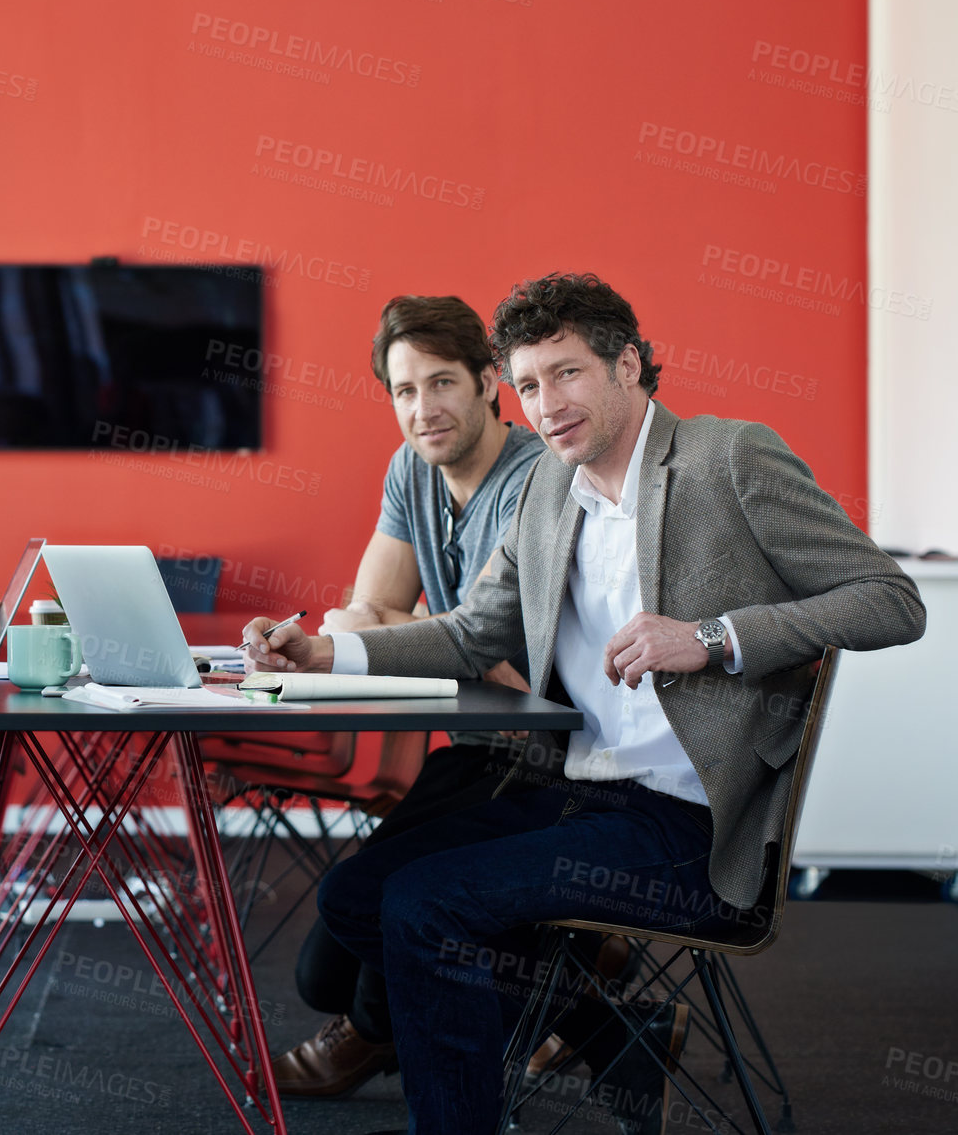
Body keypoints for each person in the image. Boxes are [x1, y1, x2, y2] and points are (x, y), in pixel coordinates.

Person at [244, 272, 925, 1135]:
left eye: (565, 373)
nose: (544, 403)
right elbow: (467, 634)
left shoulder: (728, 457)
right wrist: (326, 650)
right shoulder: (544, 493)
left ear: (628, 365)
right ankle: (595, 1038)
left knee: (427, 902)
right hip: (574, 794)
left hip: (687, 825)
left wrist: (710, 636)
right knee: (355, 899)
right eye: (527, 384)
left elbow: (891, 600)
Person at [268, 295, 545, 1097]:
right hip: (472, 745)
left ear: (489, 380)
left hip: (544, 753)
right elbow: (363, 611)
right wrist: (435, 630)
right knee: (323, 969)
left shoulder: (536, 481)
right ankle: (584, 999)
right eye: (402, 390)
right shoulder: (409, 470)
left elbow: (484, 647)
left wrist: (425, 628)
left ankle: (372, 1038)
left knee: (360, 922)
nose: (423, 410)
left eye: (442, 383)